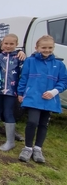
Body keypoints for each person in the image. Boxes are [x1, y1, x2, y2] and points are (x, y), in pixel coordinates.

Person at [18, 35, 67, 163]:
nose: (46, 50)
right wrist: (20, 93)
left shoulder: (59, 64)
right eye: (43, 47)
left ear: (53, 48)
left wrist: (53, 92)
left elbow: (63, 81)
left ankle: (38, 148)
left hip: (49, 100)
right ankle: (28, 147)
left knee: (43, 124)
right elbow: (24, 78)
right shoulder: (30, 61)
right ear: (37, 47)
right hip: (33, 97)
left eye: (50, 47)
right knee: (32, 121)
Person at [0, 34, 24, 151]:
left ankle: (10, 141)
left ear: (16, 45)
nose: (8, 46)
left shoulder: (19, 58)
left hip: (11, 91)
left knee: (8, 112)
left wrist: (21, 91)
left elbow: (23, 74)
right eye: (6, 43)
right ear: (2, 44)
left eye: (11, 44)